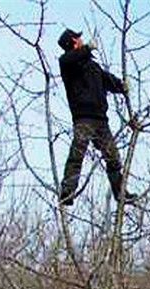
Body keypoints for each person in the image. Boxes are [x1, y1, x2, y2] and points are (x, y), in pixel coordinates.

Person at [57, 28, 137, 206]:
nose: (82, 39)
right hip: (83, 118)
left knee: (113, 157)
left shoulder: (92, 65)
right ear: (73, 41)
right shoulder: (68, 63)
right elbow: (69, 58)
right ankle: (67, 192)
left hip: (101, 120)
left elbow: (106, 80)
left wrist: (121, 86)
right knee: (77, 154)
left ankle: (121, 193)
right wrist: (87, 49)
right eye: (78, 37)